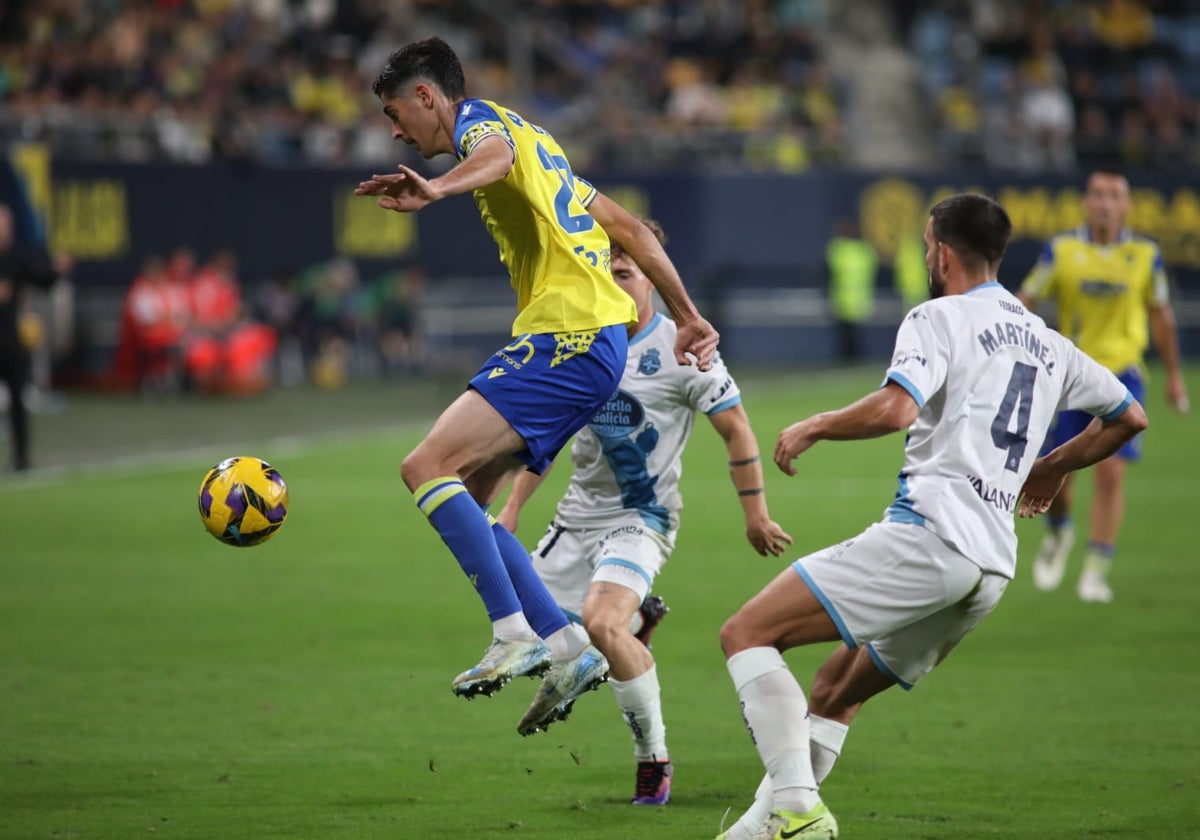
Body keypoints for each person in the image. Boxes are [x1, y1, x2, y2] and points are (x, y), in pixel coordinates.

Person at [714, 193, 1147, 840]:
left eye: (925, 246)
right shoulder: (1048, 342)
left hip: (933, 534)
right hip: (991, 568)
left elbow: (896, 410)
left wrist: (817, 424)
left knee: (745, 634)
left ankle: (800, 812)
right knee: (837, 688)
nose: (925, 257)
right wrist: (1053, 467)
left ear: (942, 253)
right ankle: (757, 831)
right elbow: (1129, 416)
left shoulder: (938, 316)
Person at [353, 37, 719, 734]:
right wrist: (690, 315)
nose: (396, 131)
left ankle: (513, 632)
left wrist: (437, 189)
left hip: (567, 338)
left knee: (425, 465)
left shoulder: (483, 129)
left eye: (397, 113)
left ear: (428, 97)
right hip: (595, 347)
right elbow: (634, 231)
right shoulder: (542, 147)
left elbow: (492, 158)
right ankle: (566, 642)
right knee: (474, 502)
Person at [495, 217, 792, 802]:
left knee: (600, 627)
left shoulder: (682, 348)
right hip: (576, 520)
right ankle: (636, 625)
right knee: (539, 640)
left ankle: (652, 762)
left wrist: (755, 514)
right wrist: (510, 510)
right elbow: (545, 442)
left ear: (652, 278)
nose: (614, 280)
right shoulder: (578, 343)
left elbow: (736, 430)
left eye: (626, 271)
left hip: (642, 519)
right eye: (604, 270)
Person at [1018, 170, 1189, 603]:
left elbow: (1160, 314)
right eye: (1097, 195)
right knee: (1059, 472)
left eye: (1114, 196)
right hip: (1074, 376)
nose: (1105, 203)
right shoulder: (1062, 250)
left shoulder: (1145, 254)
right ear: (1085, 203)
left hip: (1124, 374)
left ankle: (1096, 569)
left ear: (1126, 205)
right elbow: (1027, 297)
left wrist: (1173, 376)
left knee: (1111, 473)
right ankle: (1060, 532)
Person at [0, 203, 70, 472]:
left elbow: (42, 279)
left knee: (18, 399)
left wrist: (57, 269)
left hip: (10, 340)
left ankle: (21, 456)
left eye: (5, 224)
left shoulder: (18, 256)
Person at [824, 219, 878, 363]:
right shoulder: (865, 252)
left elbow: (829, 270)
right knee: (856, 335)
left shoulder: (839, 251)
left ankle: (848, 360)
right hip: (861, 299)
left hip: (842, 299)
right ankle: (857, 360)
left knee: (846, 336)